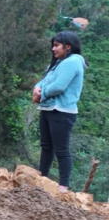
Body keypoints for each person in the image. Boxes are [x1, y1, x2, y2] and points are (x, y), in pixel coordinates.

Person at [33, 31, 86, 193]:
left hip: (62, 111)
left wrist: (41, 93)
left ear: (68, 47)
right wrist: (37, 88)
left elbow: (59, 86)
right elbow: (47, 80)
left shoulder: (73, 62)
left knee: (61, 150)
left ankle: (63, 187)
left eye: (56, 46)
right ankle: (42, 179)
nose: (53, 49)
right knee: (46, 146)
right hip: (49, 108)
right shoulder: (60, 62)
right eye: (53, 45)